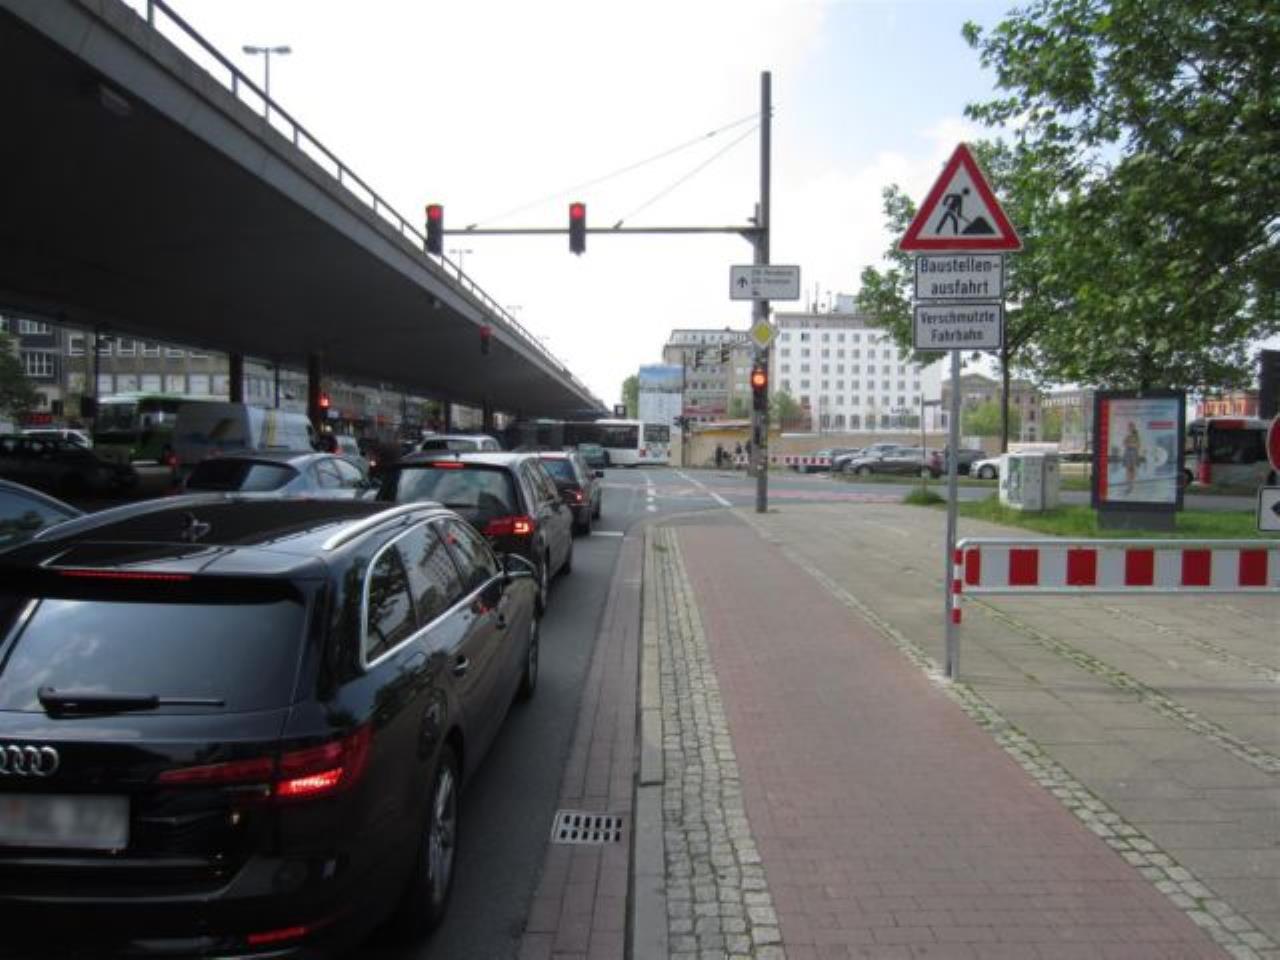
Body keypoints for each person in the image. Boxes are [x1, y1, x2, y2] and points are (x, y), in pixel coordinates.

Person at [1122, 421, 1141, 495]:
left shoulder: (1136, 435)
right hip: (1128, 453)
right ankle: (1128, 485)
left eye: (1131, 426)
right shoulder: (1127, 435)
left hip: (1133, 453)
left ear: (1133, 427)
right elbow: (1124, 443)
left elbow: (1138, 445)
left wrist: (1131, 445)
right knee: (1128, 469)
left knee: (1133, 469)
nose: (1130, 428)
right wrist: (1129, 444)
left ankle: (1131, 485)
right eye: (1129, 427)